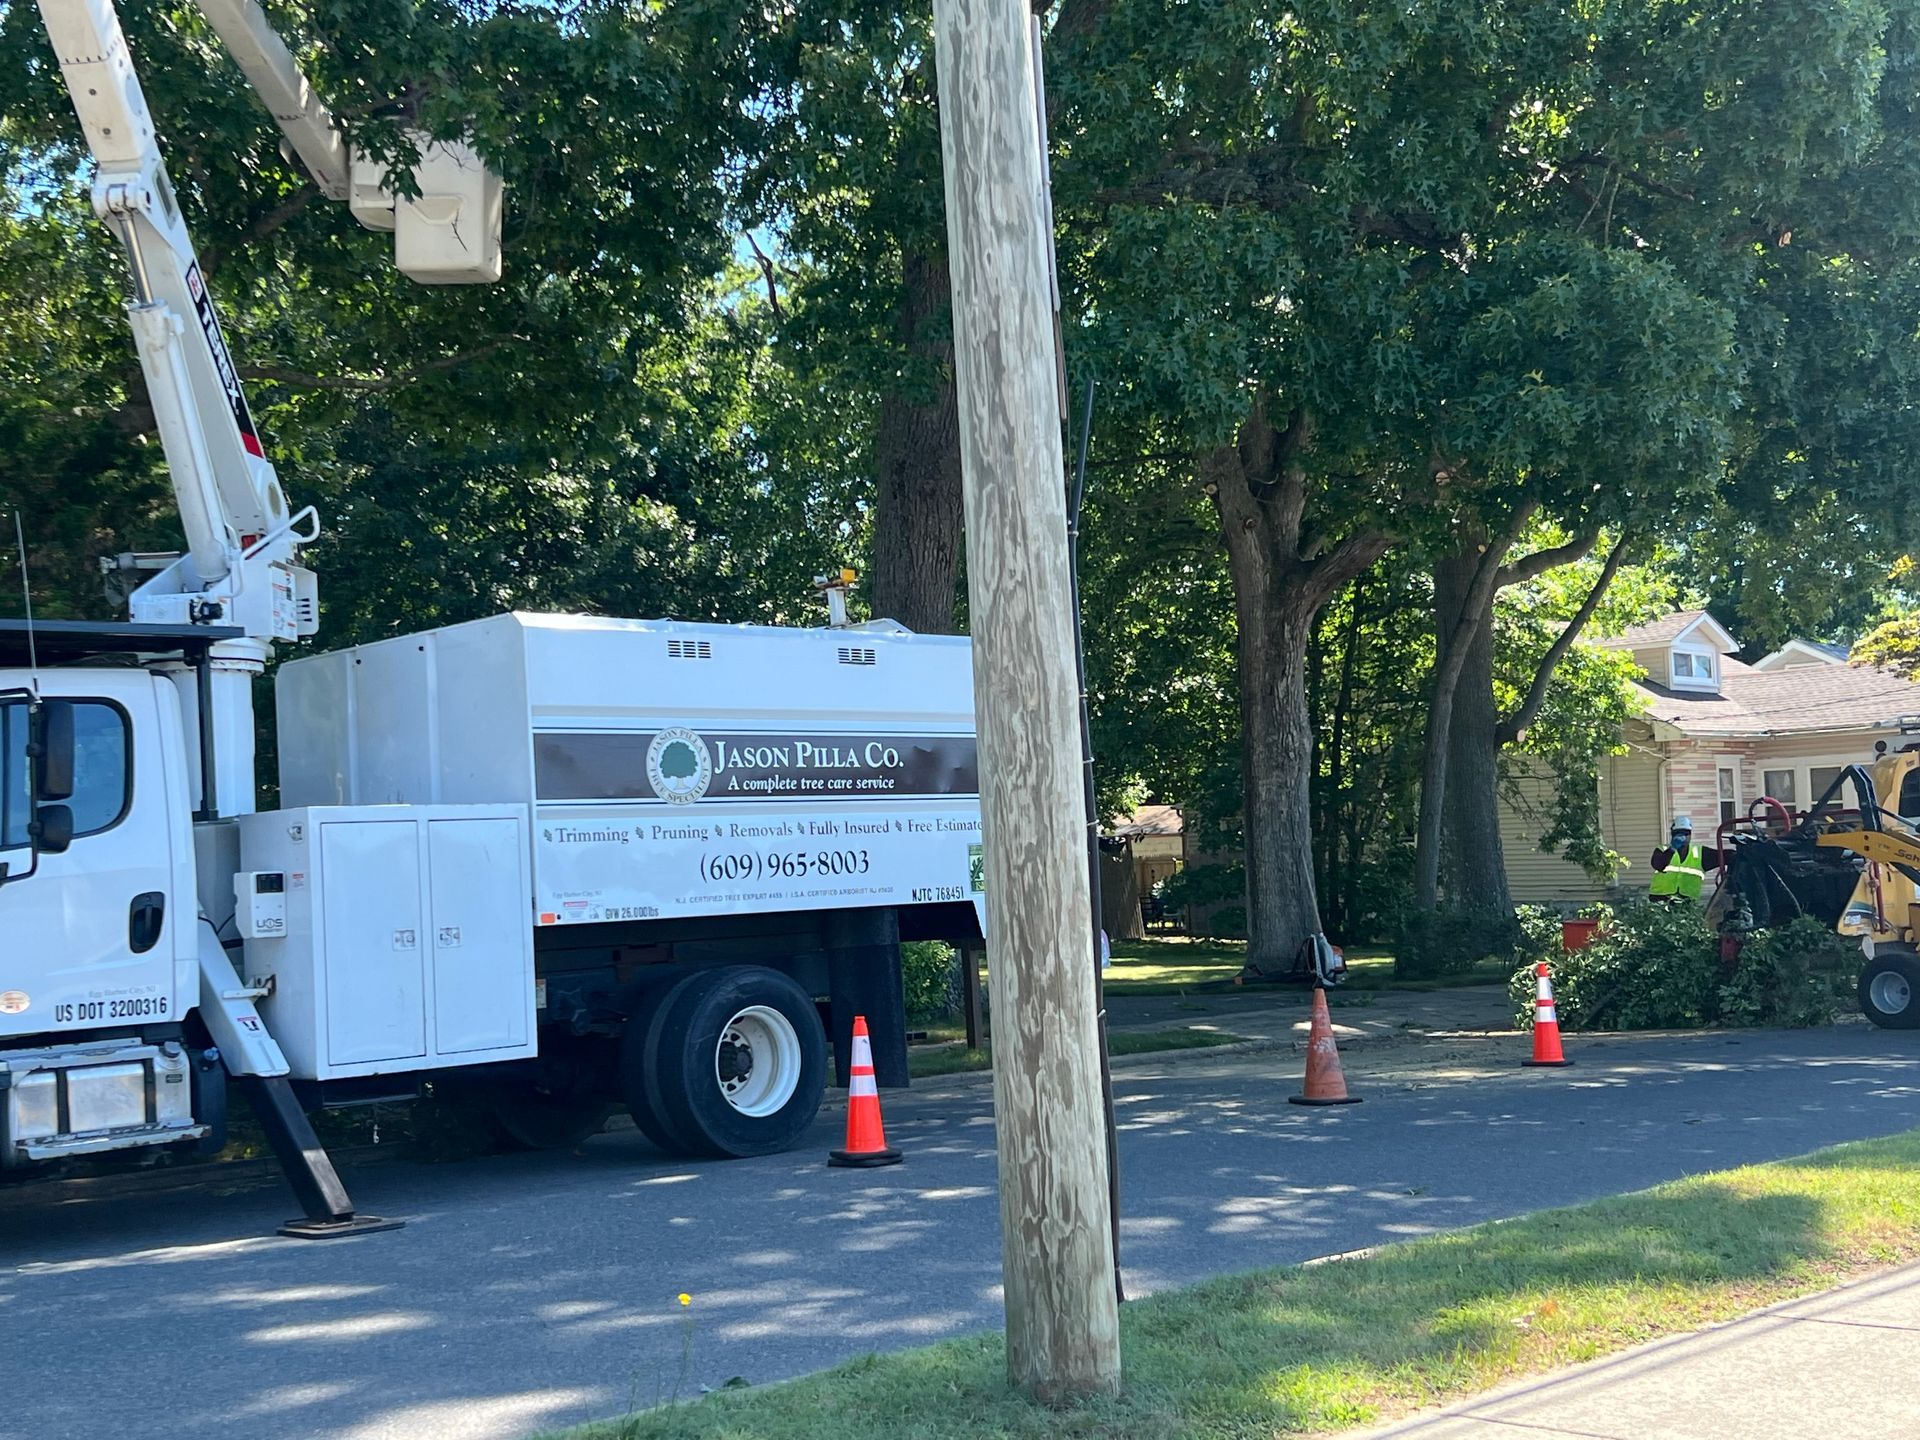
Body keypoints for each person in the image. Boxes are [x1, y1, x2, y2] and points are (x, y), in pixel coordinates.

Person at [1649, 814, 1721, 900]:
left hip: (1686, 903)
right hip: (1660, 900)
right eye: (1678, 833)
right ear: (1672, 835)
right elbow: (1658, 865)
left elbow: (1723, 856)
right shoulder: (1662, 849)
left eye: (1686, 833)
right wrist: (1672, 848)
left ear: (1690, 835)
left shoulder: (1700, 853)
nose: (1682, 837)